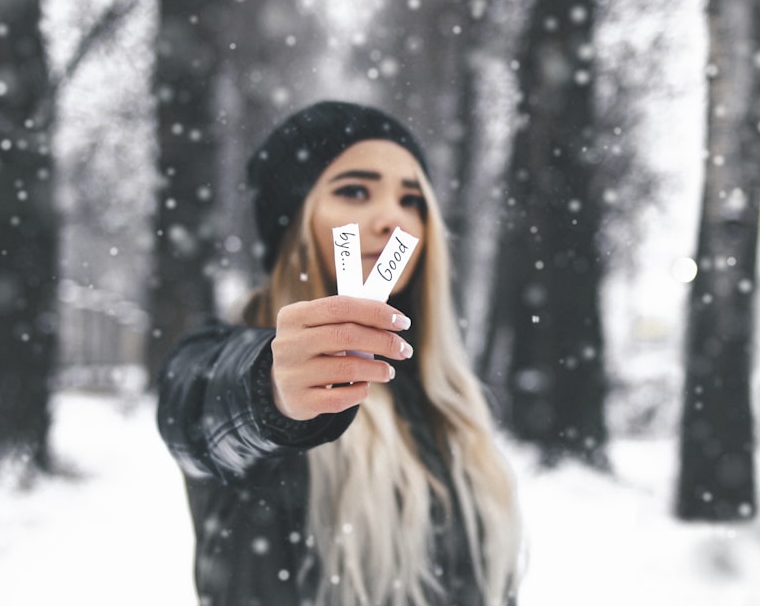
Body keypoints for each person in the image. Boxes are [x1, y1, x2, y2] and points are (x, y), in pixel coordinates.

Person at [157, 101, 522, 606]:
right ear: (293, 223)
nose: (392, 217)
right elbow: (196, 408)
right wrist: (270, 390)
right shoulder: (227, 360)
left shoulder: (444, 404)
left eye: (412, 199)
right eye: (354, 190)